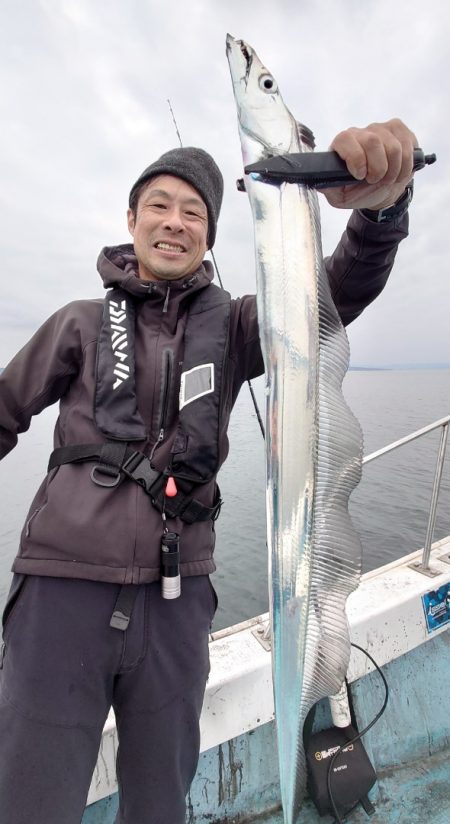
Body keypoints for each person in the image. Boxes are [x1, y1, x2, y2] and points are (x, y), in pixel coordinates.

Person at [0, 118, 417, 824]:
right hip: (60, 593)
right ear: (130, 220)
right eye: (158, 205)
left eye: (194, 212)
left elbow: (334, 294)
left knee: (162, 802)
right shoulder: (77, 323)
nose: (174, 222)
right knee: (30, 801)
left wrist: (382, 211)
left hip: (176, 604)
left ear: (210, 236)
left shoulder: (238, 329)